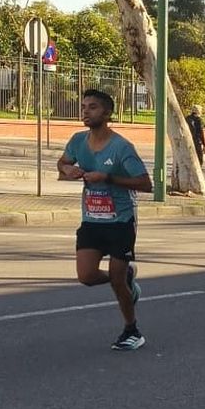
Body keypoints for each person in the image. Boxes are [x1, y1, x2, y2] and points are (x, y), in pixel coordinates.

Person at [58, 88, 152, 351]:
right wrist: (68, 169)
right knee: (86, 276)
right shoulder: (78, 141)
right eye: (83, 107)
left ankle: (132, 331)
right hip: (91, 219)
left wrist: (107, 178)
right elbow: (62, 163)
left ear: (107, 113)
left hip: (121, 220)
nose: (86, 112)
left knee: (117, 280)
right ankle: (127, 276)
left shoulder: (122, 147)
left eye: (93, 107)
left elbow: (145, 184)